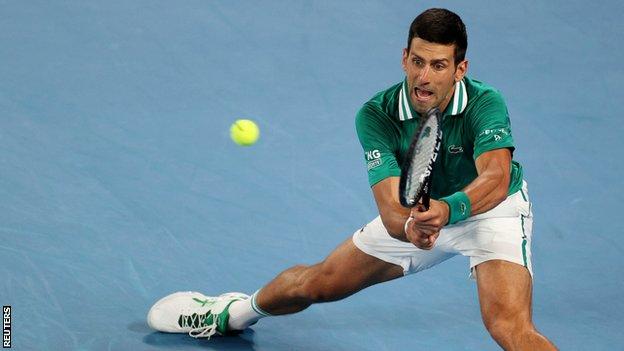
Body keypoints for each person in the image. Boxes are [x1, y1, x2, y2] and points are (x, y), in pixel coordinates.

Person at [147, 8, 557, 350]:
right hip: (421, 218)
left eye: (438, 65)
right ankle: (230, 312)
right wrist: (413, 227)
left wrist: (449, 209)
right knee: (319, 284)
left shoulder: (485, 102)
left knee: (508, 327)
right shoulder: (376, 115)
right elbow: (391, 211)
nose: (424, 77)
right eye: (417, 61)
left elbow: (496, 177)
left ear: (460, 68)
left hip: (490, 214)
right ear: (403, 58)